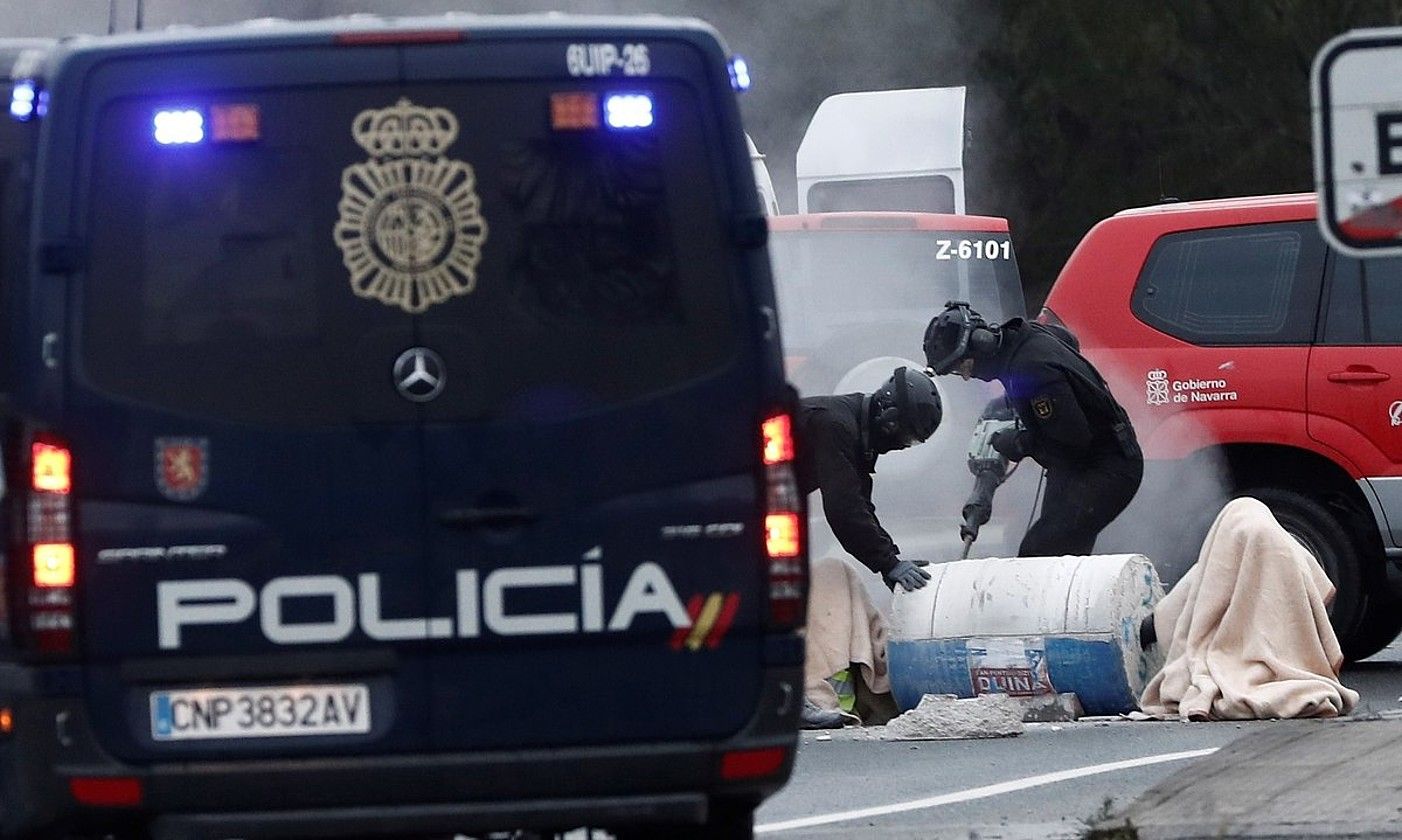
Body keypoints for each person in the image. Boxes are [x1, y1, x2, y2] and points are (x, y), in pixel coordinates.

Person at [923, 301, 1142, 557]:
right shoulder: (1023, 337)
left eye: (964, 366)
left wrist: (1018, 443)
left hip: (1107, 465)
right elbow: (1066, 340)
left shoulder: (1032, 369)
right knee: (1056, 548)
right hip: (1077, 463)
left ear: (981, 344)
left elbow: (1074, 441)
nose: (966, 376)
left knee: (1041, 551)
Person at [795, 366, 942, 729]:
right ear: (890, 420)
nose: (901, 448)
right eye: (906, 439)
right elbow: (843, 510)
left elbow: (860, 504)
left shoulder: (855, 431)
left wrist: (893, 559)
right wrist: (888, 563)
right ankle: (788, 698)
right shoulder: (833, 424)